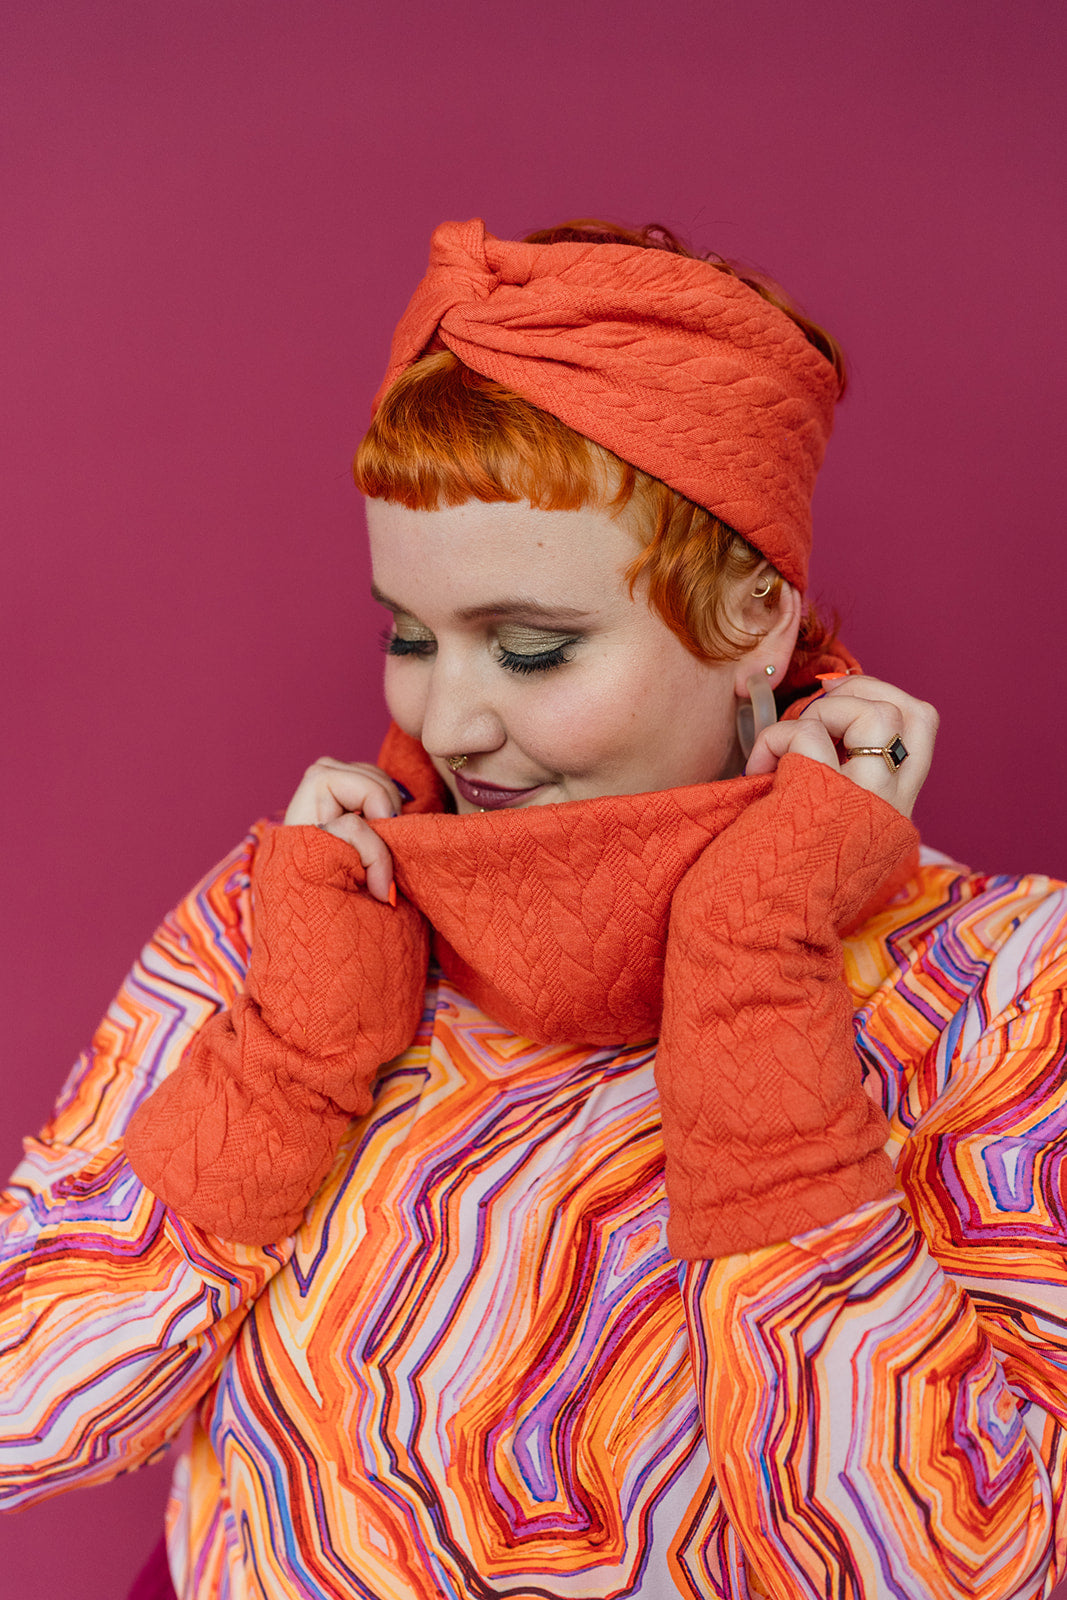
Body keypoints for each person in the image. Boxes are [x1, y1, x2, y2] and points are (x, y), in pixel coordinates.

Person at [2, 218, 1066, 1600]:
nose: (450, 718)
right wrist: (291, 1062)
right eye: (408, 633)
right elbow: (25, 1411)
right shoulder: (303, 916)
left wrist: (755, 973)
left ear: (753, 616)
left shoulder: (1000, 989)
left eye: (530, 646)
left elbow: (973, 1567)